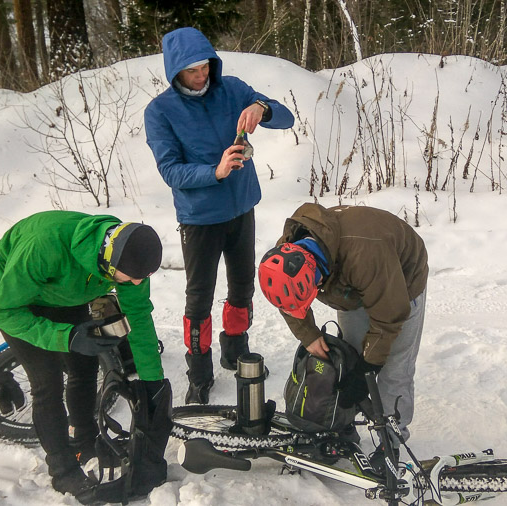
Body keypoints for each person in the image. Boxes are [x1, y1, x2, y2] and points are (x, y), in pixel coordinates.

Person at [144, 27, 294, 404]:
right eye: (192, 70)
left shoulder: (232, 88)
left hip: (242, 207)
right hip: (199, 218)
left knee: (242, 286)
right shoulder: (160, 111)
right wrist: (215, 171)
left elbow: (286, 118)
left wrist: (263, 107)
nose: (202, 75)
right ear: (175, 71)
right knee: (199, 297)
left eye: (205, 66)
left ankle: (234, 349)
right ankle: (199, 372)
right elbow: (170, 171)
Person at [0, 210, 167, 503]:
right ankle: (62, 469)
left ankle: (85, 440)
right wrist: (65, 337)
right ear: (109, 263)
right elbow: (2, 310)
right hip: (18, 300)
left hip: (69, 293)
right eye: (131, 278)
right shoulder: (44, 248)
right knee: (48, 383)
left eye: (142, 277)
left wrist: (152, 380)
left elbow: (139, 317)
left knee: (84, 367)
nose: (136, 283)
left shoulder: (128, 254)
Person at [258, 203, 429, 449]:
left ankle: (391, 440)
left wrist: (367, 368)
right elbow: (286, 299)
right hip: (351, 280)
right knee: (349, 356)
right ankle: (342, 423)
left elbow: (389, 318)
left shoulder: (365, 256)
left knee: (393, 367)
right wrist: (309, 335)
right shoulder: (286, 255)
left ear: (316, 276)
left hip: (400, 280)